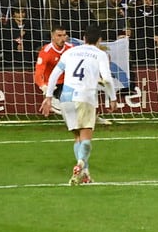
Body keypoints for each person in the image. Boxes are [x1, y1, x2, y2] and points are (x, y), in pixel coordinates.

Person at [40, 23, 117, 185]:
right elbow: (108, 79)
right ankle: (80, 164)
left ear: (83, 38)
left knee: (77, 137)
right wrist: (113, 98)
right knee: (86, 138)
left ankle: (85, 174)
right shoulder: (99, 54)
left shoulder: (71, 52)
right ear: (100, 40)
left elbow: (54, 74)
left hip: (66, 98)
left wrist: (48, 97)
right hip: (85, 97)